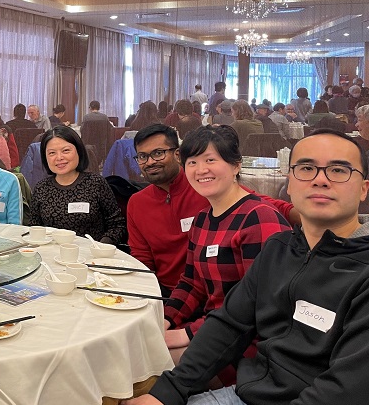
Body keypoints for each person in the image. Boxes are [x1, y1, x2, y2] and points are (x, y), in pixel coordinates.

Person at [125, 128, 369, 405]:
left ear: (363, 189)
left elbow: (347, 388)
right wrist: (166, 393)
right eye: (306, 168)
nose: (320, 180)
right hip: (251, 386)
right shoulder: (279, 248)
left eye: (338, 170)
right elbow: (229, 322)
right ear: (289, 182)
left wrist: (183, 335)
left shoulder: (261, 222)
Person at [161, 126, 291, 383]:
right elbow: (191, 283)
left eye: (211, 160)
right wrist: (165, 320)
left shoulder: (259, 218)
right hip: (212, 330)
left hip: (249, 346)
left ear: (235, 166)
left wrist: (188, 333)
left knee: (147, 367)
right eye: (192, 162)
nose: (201, 170)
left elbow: (262, 305)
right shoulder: (202, 220)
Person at [127, 124, 295, 297]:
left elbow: (253, 203)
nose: (150, 162)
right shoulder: (137, 203)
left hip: (219, 294)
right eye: (142, 156)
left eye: (158, 153)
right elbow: (142, 259)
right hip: (173, 293)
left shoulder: (205, 186)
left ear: (177, 155)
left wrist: (310, 217)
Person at [29, 126, 126, 243]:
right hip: (51, 256)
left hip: (91, 257)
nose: (59, 158)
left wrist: (101, 247)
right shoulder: (41, 188)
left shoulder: (95, 183)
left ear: (78, 151)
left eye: (66, 150)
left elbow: (117, 225)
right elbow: (34, 228)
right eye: (52, 153)